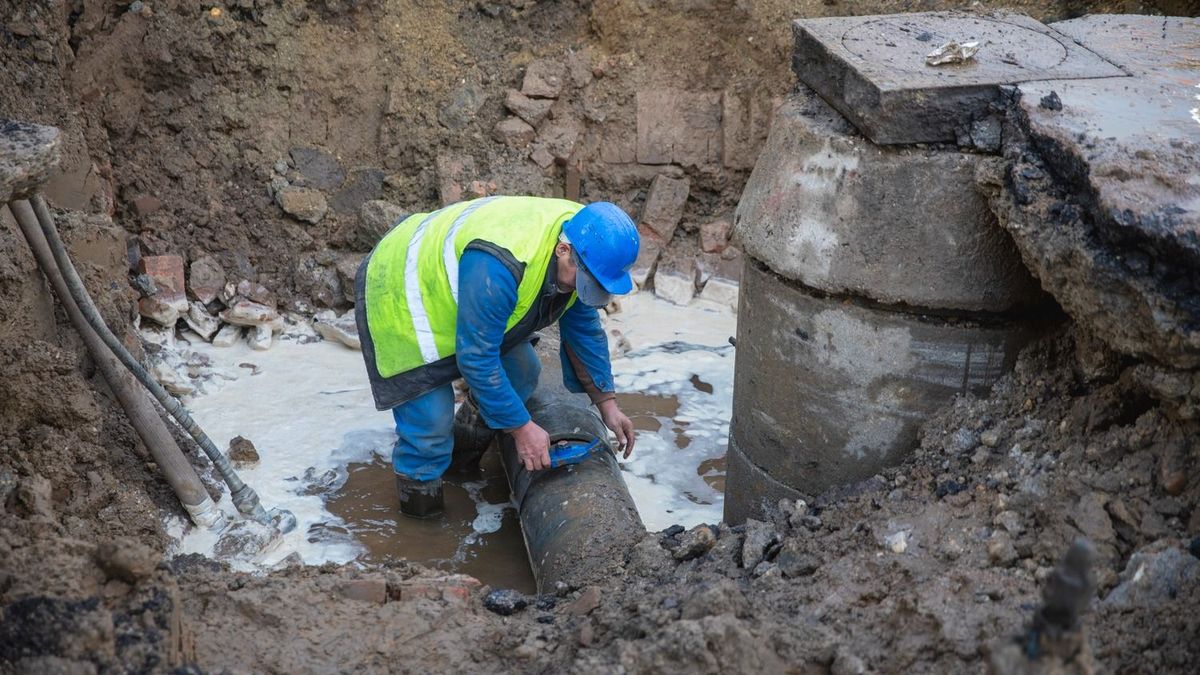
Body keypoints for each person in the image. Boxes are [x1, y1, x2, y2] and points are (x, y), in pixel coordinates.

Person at [353, 195, 640, 518]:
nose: (584, 290)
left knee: (522, 371)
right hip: (403, 291)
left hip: (470, 293)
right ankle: (421, 518)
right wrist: (521, 428)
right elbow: (476, 358)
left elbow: (585, 329)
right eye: (586, 282)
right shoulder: (504, 262)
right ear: (563, 252)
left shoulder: (589, 237)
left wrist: (608, 404)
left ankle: (462, 458)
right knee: (429, 425)